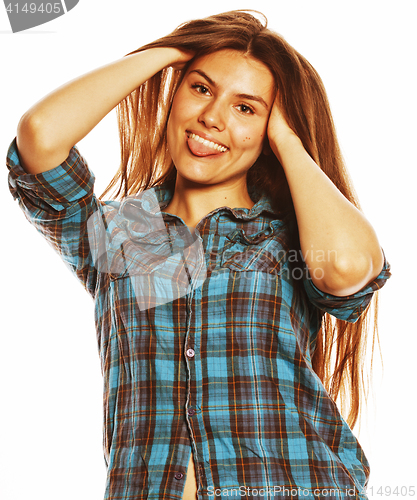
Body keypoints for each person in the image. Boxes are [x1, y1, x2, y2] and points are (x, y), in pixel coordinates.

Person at [6, 10, 391, 500]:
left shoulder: (287, 234)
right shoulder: (125, 233)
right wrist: (174, 50)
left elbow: (347, 268)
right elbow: (39, 135)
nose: (213, 117)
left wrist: (290, 140)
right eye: (201, 89)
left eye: (247, 109)